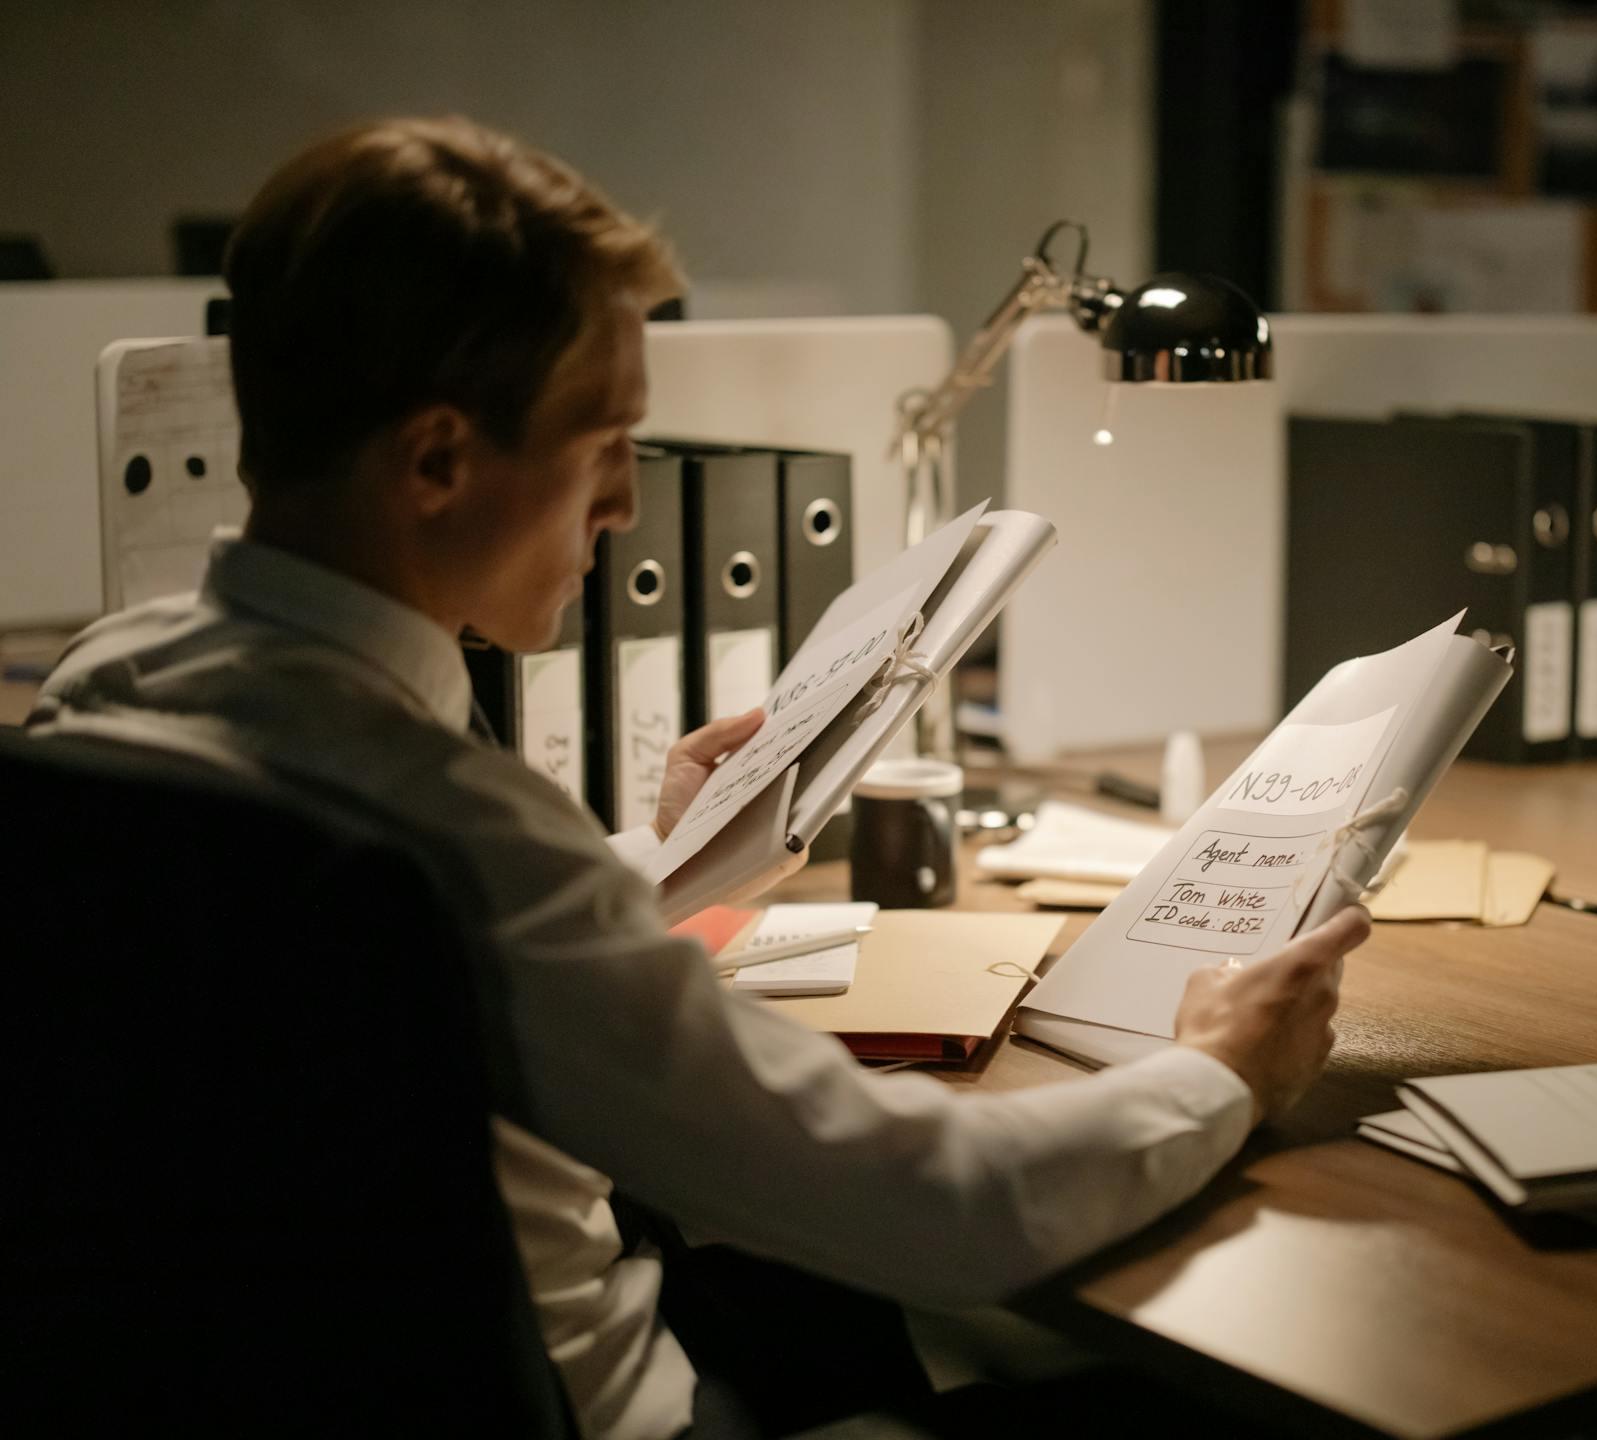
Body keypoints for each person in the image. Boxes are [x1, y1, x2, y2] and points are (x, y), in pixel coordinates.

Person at [27, 116, 1368, 1440]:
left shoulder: (110, 693)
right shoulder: (461, 840)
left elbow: (429, 979)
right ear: (437, 459)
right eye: (605, 440)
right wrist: (1223, 1072)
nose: (623, 503)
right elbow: (944, 1208)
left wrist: (657, 862)